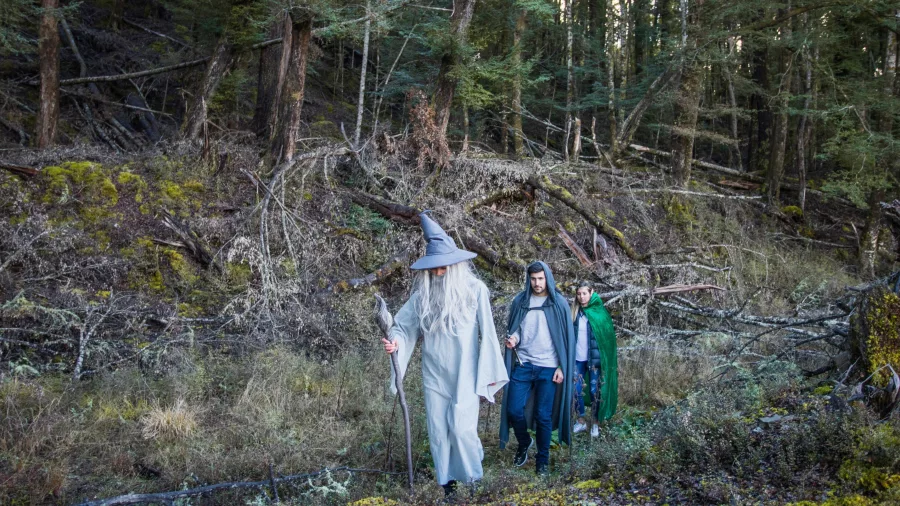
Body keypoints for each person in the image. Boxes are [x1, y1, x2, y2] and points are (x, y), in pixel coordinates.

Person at [381, 212, 508, 497]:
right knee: (439, 430)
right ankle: (447, 486)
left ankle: (473, 481)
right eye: (433, 268)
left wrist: (489, 374)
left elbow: (488, 333)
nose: (438, 273)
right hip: (434, 373)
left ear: (455, 264)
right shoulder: (423, 296)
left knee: (462, 429)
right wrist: (395, 344)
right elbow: (403, 326)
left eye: (443, 267)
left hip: (465, 372)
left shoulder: (475, 290)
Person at [498, 261, 575, 475]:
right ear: (528, 279)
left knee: (543, 416)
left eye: (540, 278)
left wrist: (561, 366)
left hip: (549, 367)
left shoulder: (558, 303)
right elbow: (518, 329)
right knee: (513, 409)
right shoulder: (521, 301)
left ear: (547, 278)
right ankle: (524, 442)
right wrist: (514, 338)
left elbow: (566, 339)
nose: (537, 283)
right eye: (533, 279)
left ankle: (542, 461)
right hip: (524, 363)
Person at [571, 282, 618, 436]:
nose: (581, 297)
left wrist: (606, 359)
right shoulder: (574, 312)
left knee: (594, 391)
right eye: (579, 294)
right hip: (578, 359)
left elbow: (607, 339)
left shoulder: (599, 312)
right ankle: (581, 421)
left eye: (584, 293)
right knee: (575, 390)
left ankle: (596, 423)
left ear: (591, 293)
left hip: (595, 361)